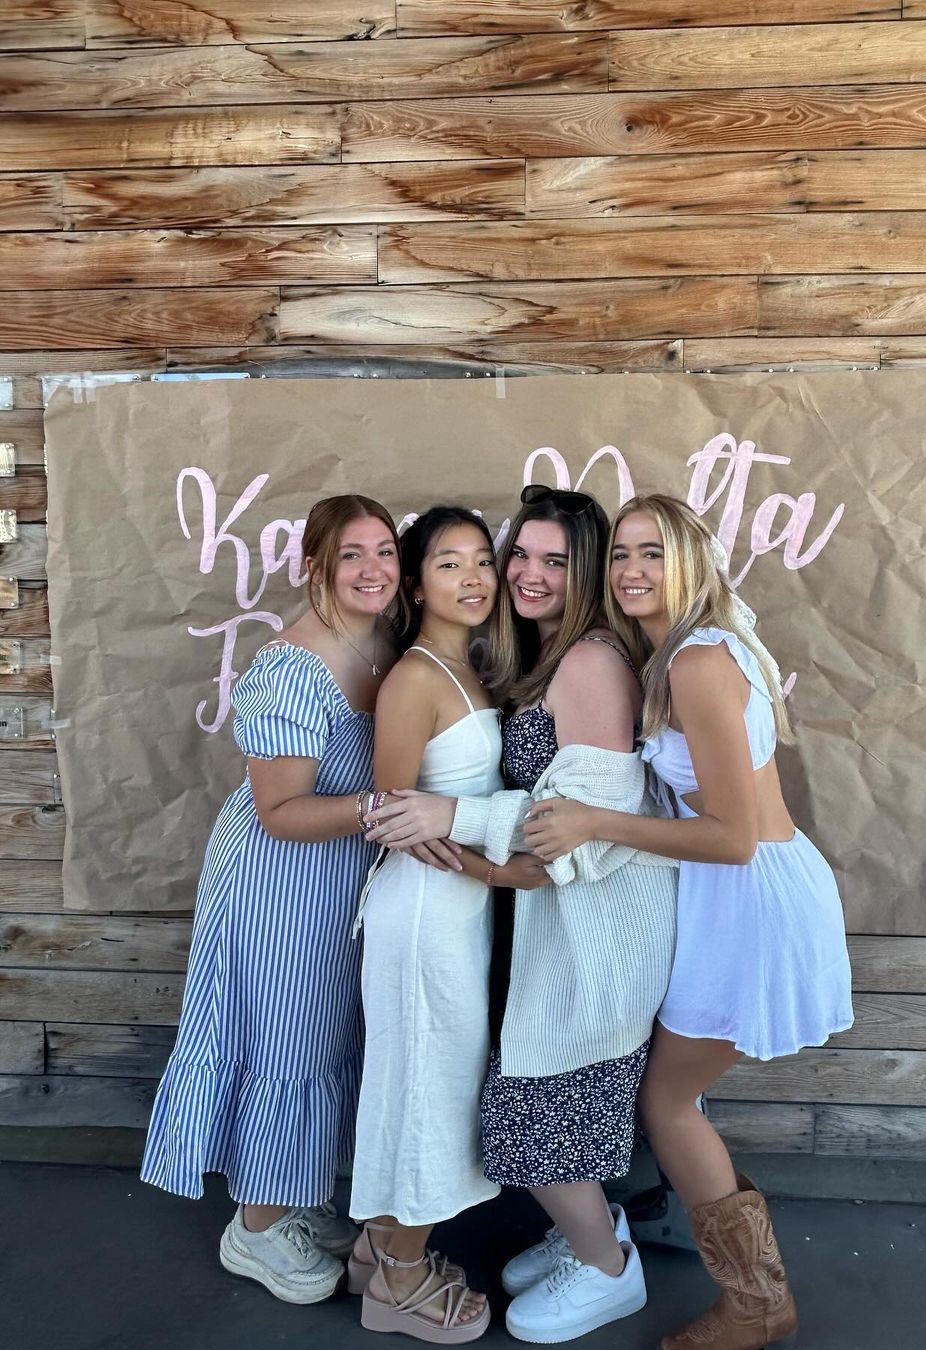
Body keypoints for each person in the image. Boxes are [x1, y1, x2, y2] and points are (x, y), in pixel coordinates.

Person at [522, 493, 854, 1350]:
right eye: (622, 554)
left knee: (668, 1101)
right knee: (675, 1095)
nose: (633, 570)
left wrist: (593, 822)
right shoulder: (683, 649)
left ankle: (756, 1302)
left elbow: (733, 838)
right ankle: (737, 1273)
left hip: (750, 899)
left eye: (654, 553)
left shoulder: (699, 661)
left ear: (692, 563)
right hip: (729, 895)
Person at [366, 485, 677, 1344]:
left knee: (535, 1106)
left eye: (557, 561)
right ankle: (587, 1237)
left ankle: (608, 1271)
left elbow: (573, 841)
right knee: (541, 1100)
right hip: (560, 921)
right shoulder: (541, 656)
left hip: (598, 924)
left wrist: (453, 823)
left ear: (589, 572)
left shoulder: (590, 663)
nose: (528, 574)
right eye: (522, 555)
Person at [141, 493, 408, 1305]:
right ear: (315, 567)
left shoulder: (386, 642)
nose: (374, 569)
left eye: (385, 551)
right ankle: (254, 1229)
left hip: (344, 872)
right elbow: (280, 811)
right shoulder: (291, 667)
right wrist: (391, 811)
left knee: (329, 1034)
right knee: (287, 1041)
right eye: (352, 554)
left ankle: (291, 1194)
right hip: (280, 878)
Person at [348, 504, 547, 1345]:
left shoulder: (473, 664)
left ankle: (377, 1251)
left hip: (456, 916)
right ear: (417, 584)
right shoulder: (415, 678)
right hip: (423, 916)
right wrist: (501, 868)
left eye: (481, 561)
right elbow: (396, 819)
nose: (473, 578)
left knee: (427, 1085)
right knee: (428, 1094)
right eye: (448, 564)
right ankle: (397, 1281)